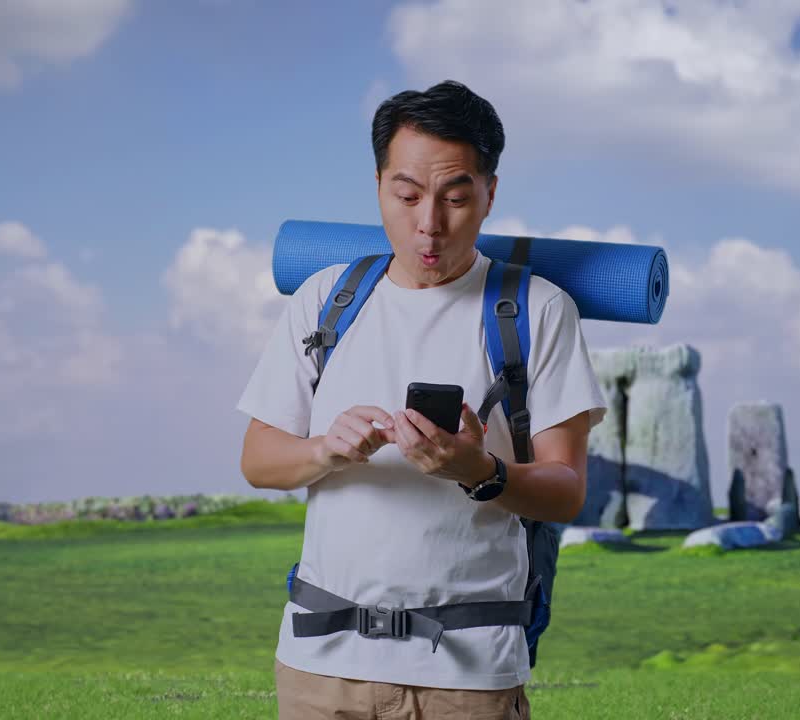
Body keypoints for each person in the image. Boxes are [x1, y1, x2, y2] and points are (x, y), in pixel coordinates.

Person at [237, 79, 606, 720]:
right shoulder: (326, 301)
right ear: (379, 185)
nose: (428, 224)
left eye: (455, 198)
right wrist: (326, 450)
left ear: (490, 194)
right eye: (406, 196)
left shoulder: (539, 310)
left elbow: (566, 489)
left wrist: (479, 471)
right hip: (319, 667)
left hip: (468, 674)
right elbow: (258, 460)